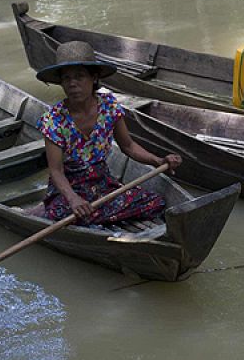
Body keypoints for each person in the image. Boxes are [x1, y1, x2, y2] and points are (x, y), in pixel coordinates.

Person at [34, 40, 181, 224]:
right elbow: (56, 172)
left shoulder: (109, 107)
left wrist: (158, 160)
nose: (72, 83)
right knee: (67, 215)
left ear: (94, 78)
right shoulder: (53, 120)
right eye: (67, 78)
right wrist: (73, 199)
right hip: (70, 188)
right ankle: (50, 209)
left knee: (155, 203)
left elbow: (128, 146)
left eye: (79, 76)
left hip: (102, 184)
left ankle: (94, 214)